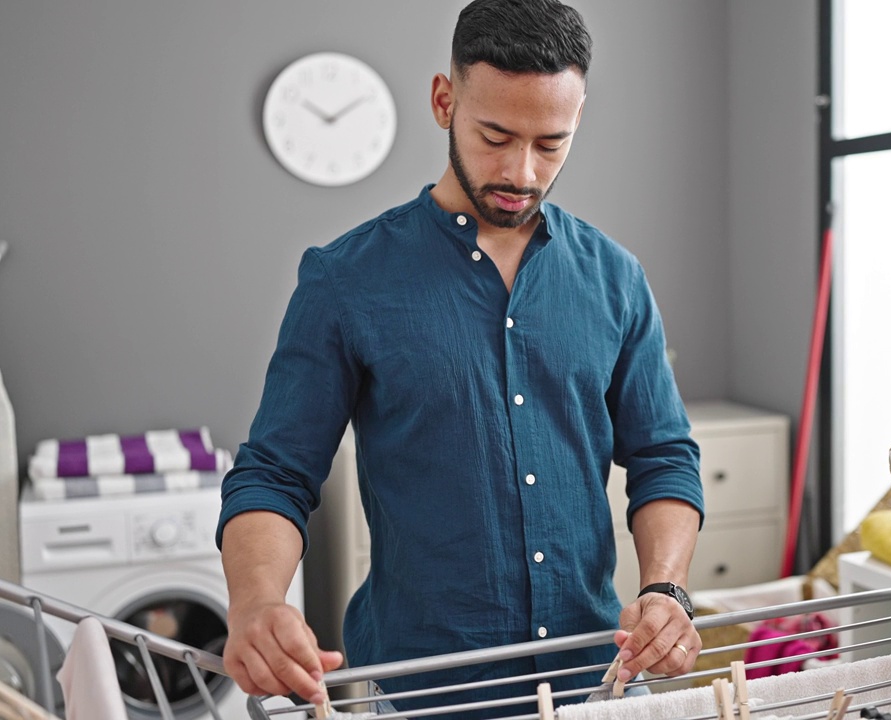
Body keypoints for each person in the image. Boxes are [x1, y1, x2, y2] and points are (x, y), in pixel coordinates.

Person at [215, 0, 705, 715]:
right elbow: (275, 474)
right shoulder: (345, 279)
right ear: (445, 101)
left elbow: (664, 455)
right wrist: (257, 601)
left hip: (594, 688)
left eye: (550, 143)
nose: (521, 170)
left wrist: (665, 586)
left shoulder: (616, 278)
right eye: (496, 135)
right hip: (420, 694)